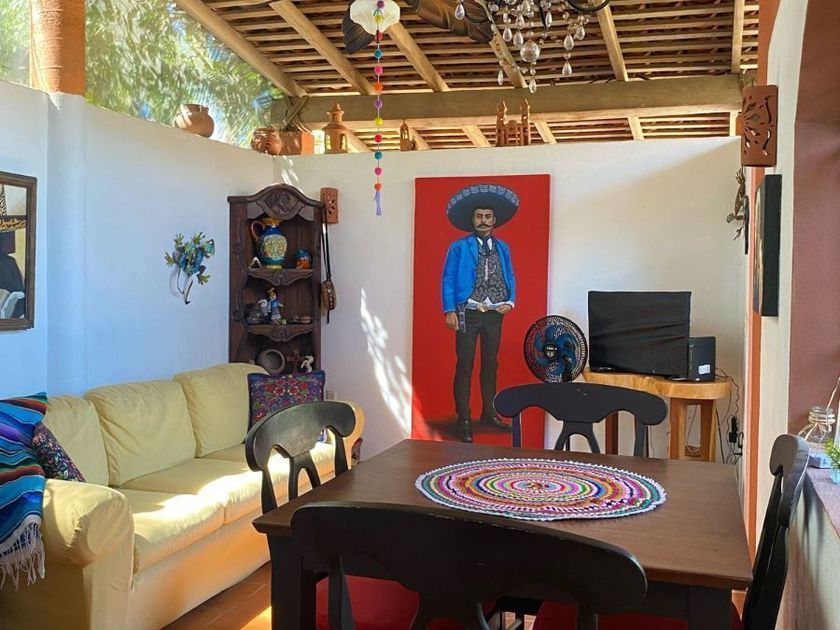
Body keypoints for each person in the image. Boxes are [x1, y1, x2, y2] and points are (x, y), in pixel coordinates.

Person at [441, 184, 518, 443]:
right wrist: (449, 309)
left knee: (490, 363)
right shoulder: (459, 247)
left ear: (494, 220)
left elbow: (510, 274)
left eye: (488, 216)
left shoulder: (503, 247)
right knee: (465, 364)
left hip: (495, 312)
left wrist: (510, 301)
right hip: (468, 311)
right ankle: (463, 417)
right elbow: (448, 278)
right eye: (478, 216)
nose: (483, 221)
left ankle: (489, 412)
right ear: (472, 219)